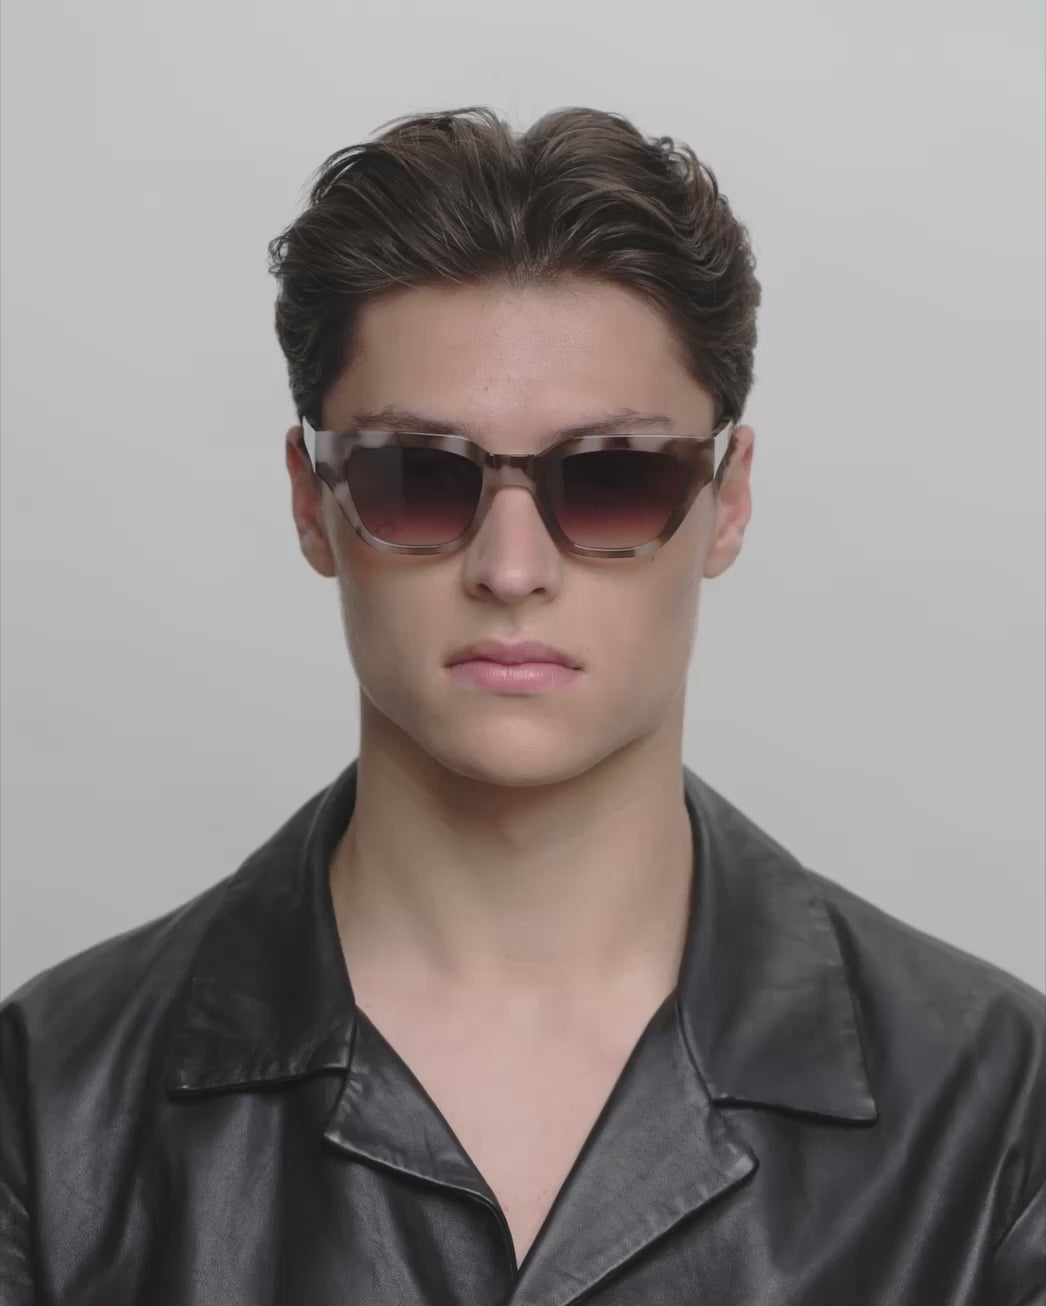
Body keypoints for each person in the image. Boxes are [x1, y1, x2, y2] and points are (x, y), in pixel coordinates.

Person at [0, 104, 1042, 1306]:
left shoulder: (994, 1113)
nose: (509, 568)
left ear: (727, 500)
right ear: (311, 501)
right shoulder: (51, 1106)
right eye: (416, 477)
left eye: (608, 479)